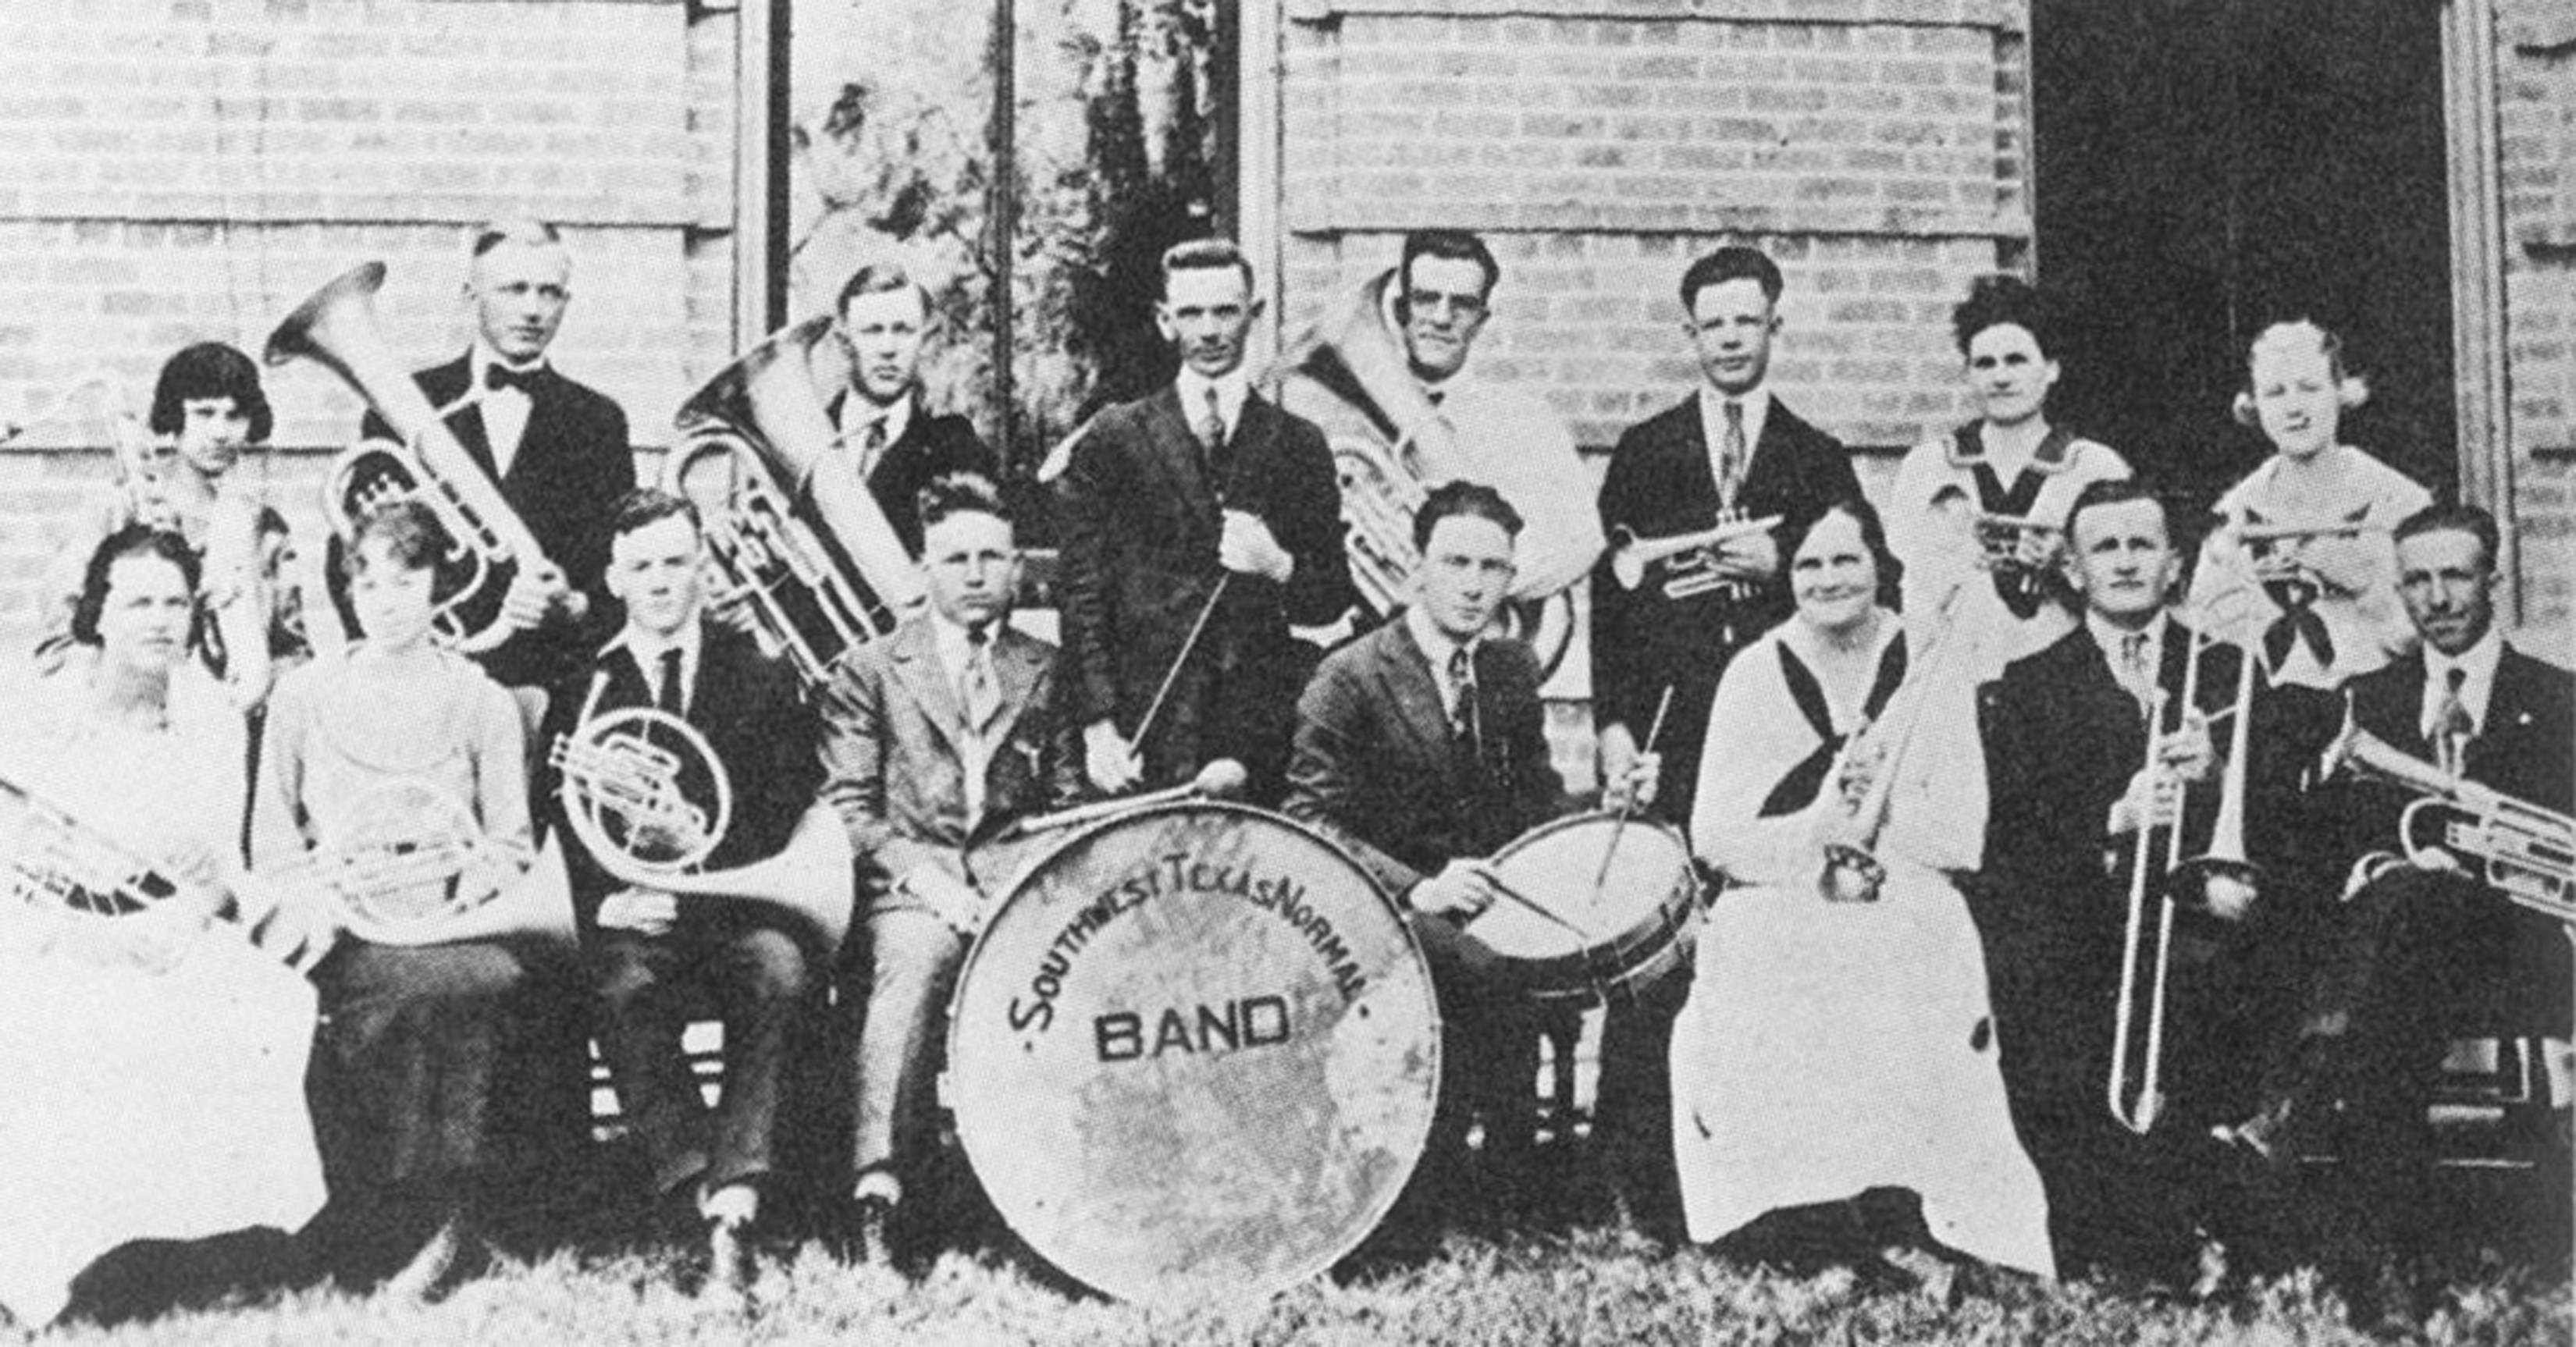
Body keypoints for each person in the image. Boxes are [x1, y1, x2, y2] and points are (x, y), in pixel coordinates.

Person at [1670, 498, 2053, 1287]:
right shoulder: (1754, 671)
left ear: (1879, 564)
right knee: (1763, 949)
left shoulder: (1927, 661)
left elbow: (1962, 827)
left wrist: (1883, 819)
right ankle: (1801, 1212)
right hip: (1785, 886)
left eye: (1846, 559)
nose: (1828, 578)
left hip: (1907, 880)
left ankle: (1905, 1206)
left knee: (1903, 947)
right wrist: (1821, 820)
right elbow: (1715, 834)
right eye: (1808, 563)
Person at [2215, 503, 2571, 1320]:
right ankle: (2391, 1270)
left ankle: (2299, 1112)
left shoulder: (2559, 701)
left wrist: (2448, 869)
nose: (2438, 596)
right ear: (2400, 587)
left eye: (2456, 574)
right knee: (2401, 954)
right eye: (2418, 578)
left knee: (2424, 900)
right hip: (2397, 959)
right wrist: (2380, 868)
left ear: (2494, 577)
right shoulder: (2367, 701)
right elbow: (2324, 842)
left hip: (2527, 947)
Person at [1976, 478, 2330, 1286]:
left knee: (2237, 984)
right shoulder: (2029, 685)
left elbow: (2281, 823)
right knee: (2053, 1011)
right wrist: (2115, 820)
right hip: (2085, 927)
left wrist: (2214, 778)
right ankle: (2151, 1223)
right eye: (2106, 546)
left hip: (2206, 923)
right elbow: (2014, 844)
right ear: (2072, 567)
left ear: (2175, 564)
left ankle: (2191, 1211)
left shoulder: (2229, 665)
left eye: (2144, 545)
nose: (2127, 562)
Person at [1284, 481, 1657, 1228]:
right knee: (1491, 970)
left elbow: (1536, 806)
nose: (1474, 584)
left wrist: (1605, 806)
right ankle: (1474, 1183)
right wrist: (1419, 889)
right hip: (1380, 908)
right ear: (1416, 569)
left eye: (1493, 568)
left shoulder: (1510, 670)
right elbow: (1307, 823)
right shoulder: (1351, 676)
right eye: (1456, 562)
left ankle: (1527, 1180)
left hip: (1484, 899)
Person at [1588, 244, 1861, 1235]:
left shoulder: (1819, 455)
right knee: (1651, 955)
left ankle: (1780, 1171)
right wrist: (1615, 731)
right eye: (1714, 323)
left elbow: (1863, 586)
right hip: (1670, 733)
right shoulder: (1645, 448)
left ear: (1775, 328)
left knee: (1783, 947)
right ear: (1691, 333)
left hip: (1783, 743)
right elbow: (1609, 607)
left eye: (1750, 321)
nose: (1732, 338)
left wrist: (1782, 560)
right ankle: (1638, 1181)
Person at [0, 527, 328, 1327]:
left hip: (169, 926)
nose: (160, 620)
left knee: (262, 1000)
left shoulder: (211, 715)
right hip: (48, 927)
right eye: (138, 601)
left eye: (176, 602)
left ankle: (201, 1252)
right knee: (65, 1016)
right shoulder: (38, 711)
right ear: (99, 615)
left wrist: (184, 924)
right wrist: (86, 935)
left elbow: (214, 866)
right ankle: (61, 1267)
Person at [253, 499, 560, 1296]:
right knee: (391, 992)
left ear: (440, 585)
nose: (384, 598)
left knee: (483, 978)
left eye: (405, 577)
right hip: (345, 919)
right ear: (347, 590)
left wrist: (467, 885)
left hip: (452, 917)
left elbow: (510, 845)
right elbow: (274, 844)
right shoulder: (303, 695)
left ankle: (442, 1214)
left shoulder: (482, 699)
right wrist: (320, 897)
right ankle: (399, 1222)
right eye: (367, 580)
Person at [539, 489, 824, 1293]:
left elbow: (781, 807)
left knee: (779, 969)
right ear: (613, 578)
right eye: (642, 566)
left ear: (702, 566)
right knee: (619, 981)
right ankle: (699, 1176)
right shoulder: (584, 684)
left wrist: (694, 837)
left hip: (733, 908)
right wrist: (606, 900)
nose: (661, 581)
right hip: (636, 914)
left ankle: (735, 1189)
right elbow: (554, 818)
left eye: (675, 561)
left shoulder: (760, 674)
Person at [816, 472, 1080, 1267]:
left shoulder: (1048, 664)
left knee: (1072, 962)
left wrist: (1012, 882)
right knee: (915, 960)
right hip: (911, 883)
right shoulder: (868, 667)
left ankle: (1058, 1180)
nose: (975, 573)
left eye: (992, 557)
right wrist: (930, 885)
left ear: (1016, 569)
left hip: (1017, 877)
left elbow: (1068, 804)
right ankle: (881, 1193)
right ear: (924, 568)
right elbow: (851, 811)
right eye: (956, 557)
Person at [1051, 238, 1354, 805]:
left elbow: (1330, 598)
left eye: (1226, 311)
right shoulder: (1115, 438)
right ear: (1166, 322)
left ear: (1254, 316)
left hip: (1256, 735)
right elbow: (1082, 593)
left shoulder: (1299, 444)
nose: (1210, 330)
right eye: (1191, 313)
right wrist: (1098, 726)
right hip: (1144, 727)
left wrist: (1278, 564)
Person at [357, 218, 636, 695]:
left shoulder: (599, 421)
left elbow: (623, 572)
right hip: (428, 682)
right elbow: (353, 559)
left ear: (566, 303)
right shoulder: (407, 406)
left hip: (551, 687)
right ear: (471, 297)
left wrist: (572, 604)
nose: (533, 309)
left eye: (550, 293)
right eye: (514, 289)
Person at [1884, 276, 2130, 680]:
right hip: (1953, 673)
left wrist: (2066, 563)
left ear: (2051, 369)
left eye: (2017, 360)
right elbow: (1905, 583)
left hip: (2065, 676)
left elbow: (2127, 585)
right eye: (1985, 363)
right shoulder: (1928, 468)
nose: (2001, 377)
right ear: (1967, 373)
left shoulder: (2094, 468)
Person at [37, 343, 288, 709]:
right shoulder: (118, 511)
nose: (220, 432)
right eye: (204, 413)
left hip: (237, 719)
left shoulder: (263, 527)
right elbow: (60, 638)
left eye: (234, 415)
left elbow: (291, 649)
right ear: (174, 416)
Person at [2186, 318, 2431, 691]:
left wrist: (2369, 589)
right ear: (2252, 404)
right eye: (2275, 393)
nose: (2294, 409)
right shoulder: (2233, 514)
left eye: (2310, 389)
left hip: (2385, 713)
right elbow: (2206, 639)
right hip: (2270, 726)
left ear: (2342, 391)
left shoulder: (2400, 503)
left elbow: (2442, 641)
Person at [821, 261, 999, 556]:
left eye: (903, 330)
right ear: (844, 342)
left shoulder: (957, 450)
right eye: (872, 331)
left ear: (924, 341)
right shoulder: (801, 443)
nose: (888, 348)